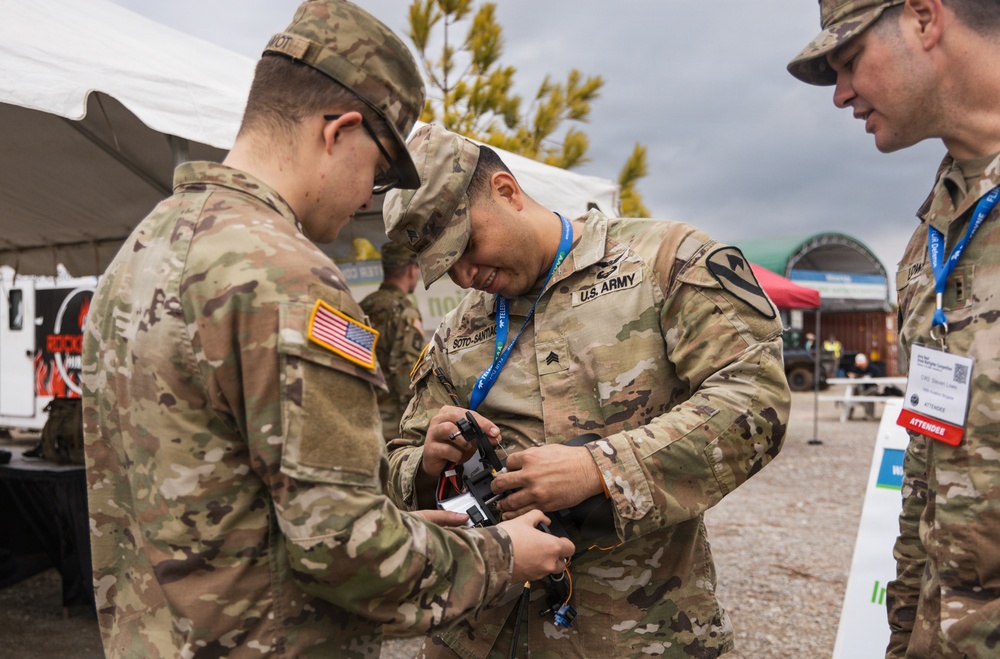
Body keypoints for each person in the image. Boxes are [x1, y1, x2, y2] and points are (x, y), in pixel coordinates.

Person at [79, 3, 574, 657]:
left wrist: (409, 527)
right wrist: (501, 552)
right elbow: (346, 553)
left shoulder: (141, 251)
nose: (367, 198)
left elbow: (225, 499)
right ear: (339, 131)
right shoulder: (291, 276)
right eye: (377, 172)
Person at [380, 124, 791, 658]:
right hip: (477, 636)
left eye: (467, 247)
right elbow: (398, 464)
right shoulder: (457, 330)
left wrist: (598, 469)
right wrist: (428, 464)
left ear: (506, 191)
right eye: (444, 268)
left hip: (634, 632)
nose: (465, 275)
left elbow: (756, 400)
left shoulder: (664, 262)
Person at [788, 0, 1000, 656]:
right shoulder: (932, 242)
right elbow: (931, 464)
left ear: (924, 18)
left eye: (850, 61)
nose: (841, 94)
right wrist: (906, 632)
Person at [360, 242, 425, 440]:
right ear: (412, 270)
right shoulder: (405, 311)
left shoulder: (362, 306)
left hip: (365, 412)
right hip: (395, 421)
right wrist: (415, 417)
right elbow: (407, 368)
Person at [846, 353, 878, 419]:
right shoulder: (855, 368)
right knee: (852, 395)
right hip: (859, 388)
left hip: (870, 388)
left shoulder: (873, 368)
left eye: (862, 364)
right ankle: (848, 415)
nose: (861, 366)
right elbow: (849, 374)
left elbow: (878, 379)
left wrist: (858, 376)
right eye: (859, 365)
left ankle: (869, 415)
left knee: (869, 397)